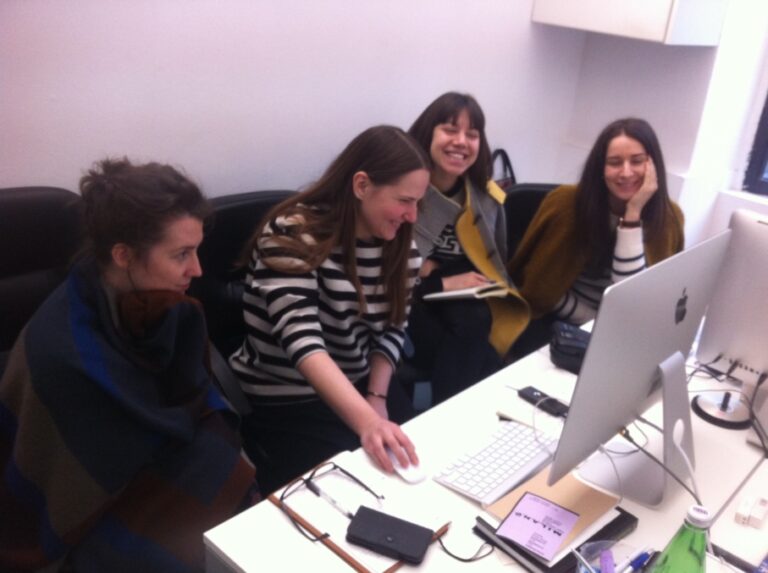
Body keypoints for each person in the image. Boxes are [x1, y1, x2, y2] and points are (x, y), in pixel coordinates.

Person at [0, 158, 259, 573]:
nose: (197, 269)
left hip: (156, 454)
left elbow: (190, 395)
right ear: (123, 255)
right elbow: (67, 482)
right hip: (97, 500)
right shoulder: (61, 354)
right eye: (181, 255)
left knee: (243, 506)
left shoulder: (162, 304)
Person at [229, 125, 431, 493]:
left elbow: (393, 329)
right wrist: (367, 422)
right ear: (361, 185)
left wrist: (376, 398)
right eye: (404, 201)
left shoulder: (401, 246)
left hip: (357, 380)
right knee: (357, 489)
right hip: (289, 395)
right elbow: (303, 342)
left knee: (420, 462)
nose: (413, 215)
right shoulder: (293, 232)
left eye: (418, 202)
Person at [406, 92, 530, 404]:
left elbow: (493, 263)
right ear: (427, 133)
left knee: (476, 324)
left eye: (472, 134)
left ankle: (451, 413)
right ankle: (457, 413)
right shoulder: (403, 189)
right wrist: (436, 280)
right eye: (450, 130)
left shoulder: (485, 198)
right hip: (406, 297)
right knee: (473, 346)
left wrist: (439, 272)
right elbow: (384, 272)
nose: (461, 141)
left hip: (463, 296)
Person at [509, 117, 685, 329]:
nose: (626, 172)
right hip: (555, 321)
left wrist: (633, 213)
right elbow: (539, 290)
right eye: (614, 162)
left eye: (637, 161)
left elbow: (631, 303)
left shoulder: (670, 218)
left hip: (624, 328)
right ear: (600, 167)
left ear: (653, 165)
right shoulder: (566, 204)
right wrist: (593, 324)